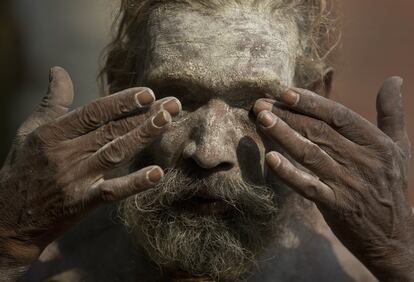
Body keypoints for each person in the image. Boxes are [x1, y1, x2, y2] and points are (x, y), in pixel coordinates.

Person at [0, 0, 413, 281]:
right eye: (181, 97)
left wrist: (398, 258)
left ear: (315, 99)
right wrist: (11, 242)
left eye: (254, 104)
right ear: (120, 87)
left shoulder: (361, 270)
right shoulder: (42, 262)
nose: (210, 152)